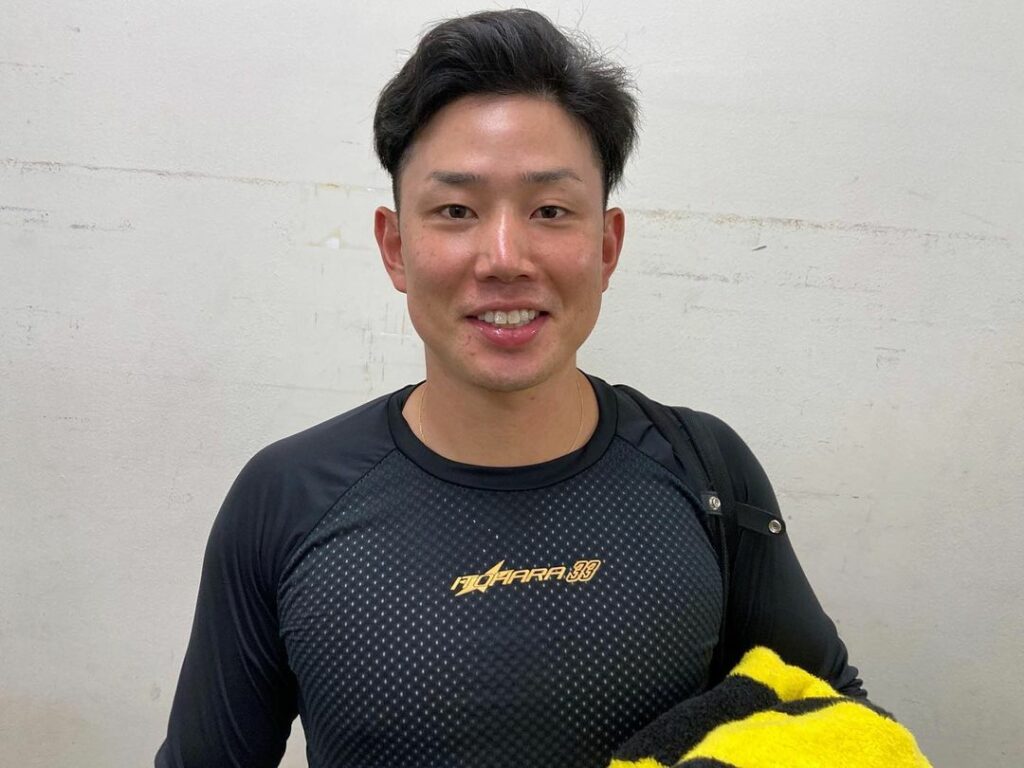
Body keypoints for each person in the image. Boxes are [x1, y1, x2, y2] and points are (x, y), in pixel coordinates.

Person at [155, 8, 862, 768]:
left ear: (607, 246)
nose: (503, 257)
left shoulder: (706, 470)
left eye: (550, 211)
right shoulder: (285, 498)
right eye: (456, 211)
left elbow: (838, 725)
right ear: (394, 247)